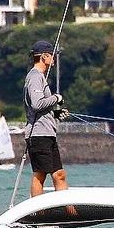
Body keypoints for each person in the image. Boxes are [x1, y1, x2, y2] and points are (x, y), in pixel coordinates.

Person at [24, 40, 69, 198]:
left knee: (59, 175)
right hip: (38, 134)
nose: (54, 60)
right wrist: (57, 98)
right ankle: (38, 212)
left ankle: (68, 211)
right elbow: (36, 104)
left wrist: (58, 112)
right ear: (44, 57)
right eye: (52, 56)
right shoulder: (35, 77)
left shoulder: (41, 78)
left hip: (48, 133)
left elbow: (45, 105)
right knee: (40, 175)